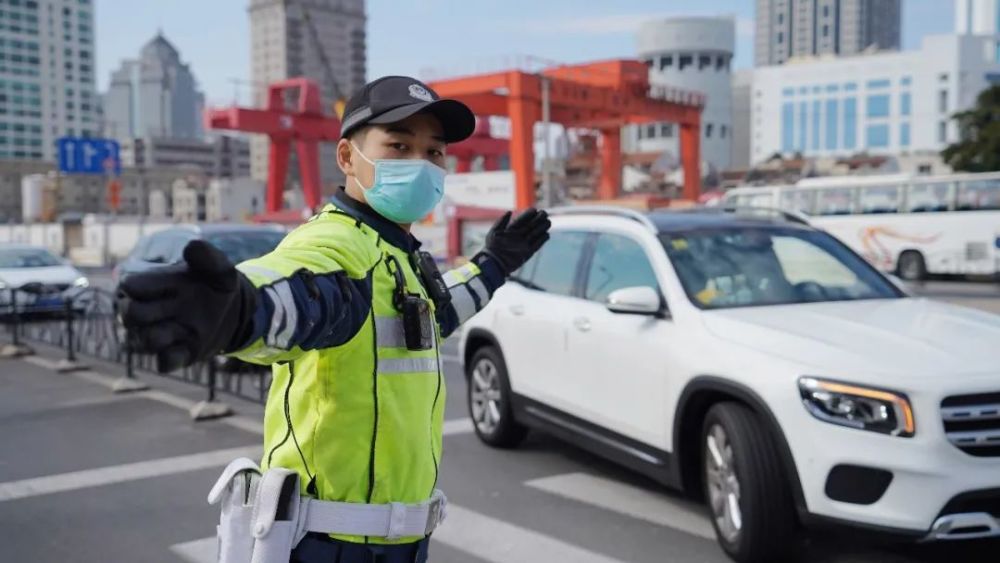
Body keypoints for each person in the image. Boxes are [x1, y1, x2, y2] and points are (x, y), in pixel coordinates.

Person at [117, 76, 551, 563]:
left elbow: (435, 316)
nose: (420, 164)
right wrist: (238, 310)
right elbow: (296, 295)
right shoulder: (336, 243)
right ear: (347, 158)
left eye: (433, 153)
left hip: (400, 543)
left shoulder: (397, 253)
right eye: (399, 145)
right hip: (327, 546)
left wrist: (492, 265)